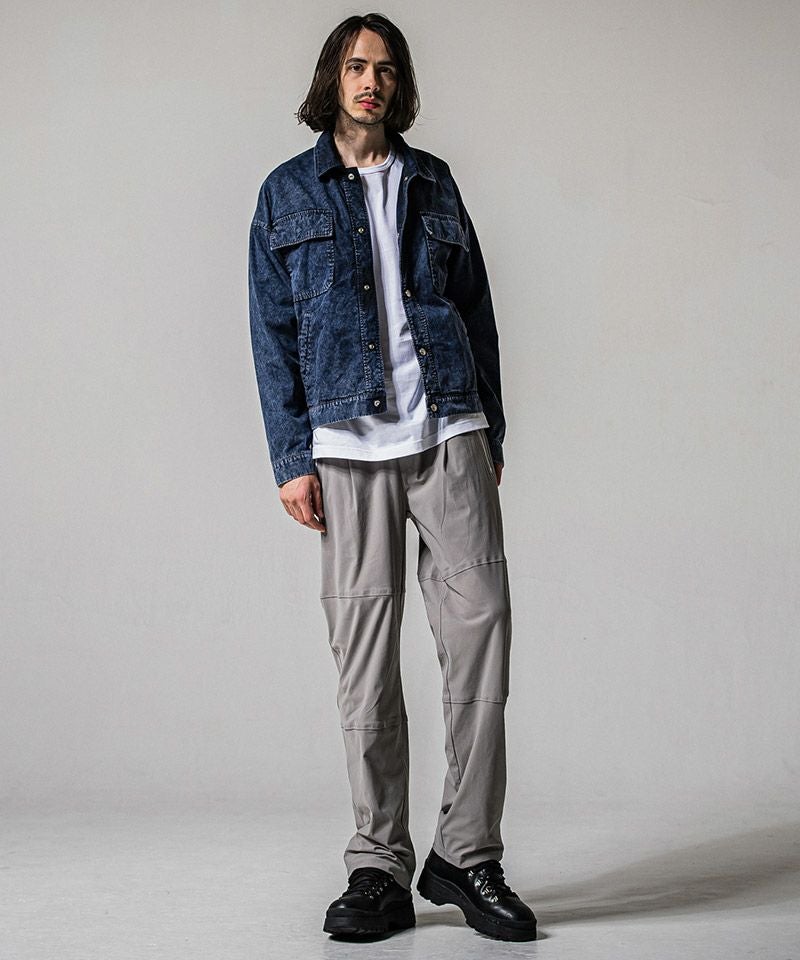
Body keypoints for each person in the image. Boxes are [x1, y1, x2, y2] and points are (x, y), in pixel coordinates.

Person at [248, 12, 537, 943]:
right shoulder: (286, 193)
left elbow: (476, 310)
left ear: (399, 84)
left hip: (449, 428)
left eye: (384, 68)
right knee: (365, 666)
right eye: (355, 65)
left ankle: (469, 854)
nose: (370, 81)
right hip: (346, 445)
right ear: (332, 78)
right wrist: (291, 458)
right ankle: (379, 865)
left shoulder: (434, 181)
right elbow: (271, 337)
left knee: (481, 635)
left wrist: (488, 425)